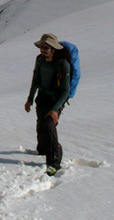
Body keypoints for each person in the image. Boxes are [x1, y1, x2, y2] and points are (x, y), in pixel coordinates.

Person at [24, 33, 71, 176]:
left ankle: (54, 160)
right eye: (42, 47)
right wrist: (30, 99)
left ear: (53, 49)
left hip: (55, 100)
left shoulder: (62, 64)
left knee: (48, 125)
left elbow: (65, 90)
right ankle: (43, 149)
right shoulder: (40, 60)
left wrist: (55, 109)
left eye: (46, 48)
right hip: (42, 97)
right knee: (41, 125)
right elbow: (36, 80)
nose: (42, 50)